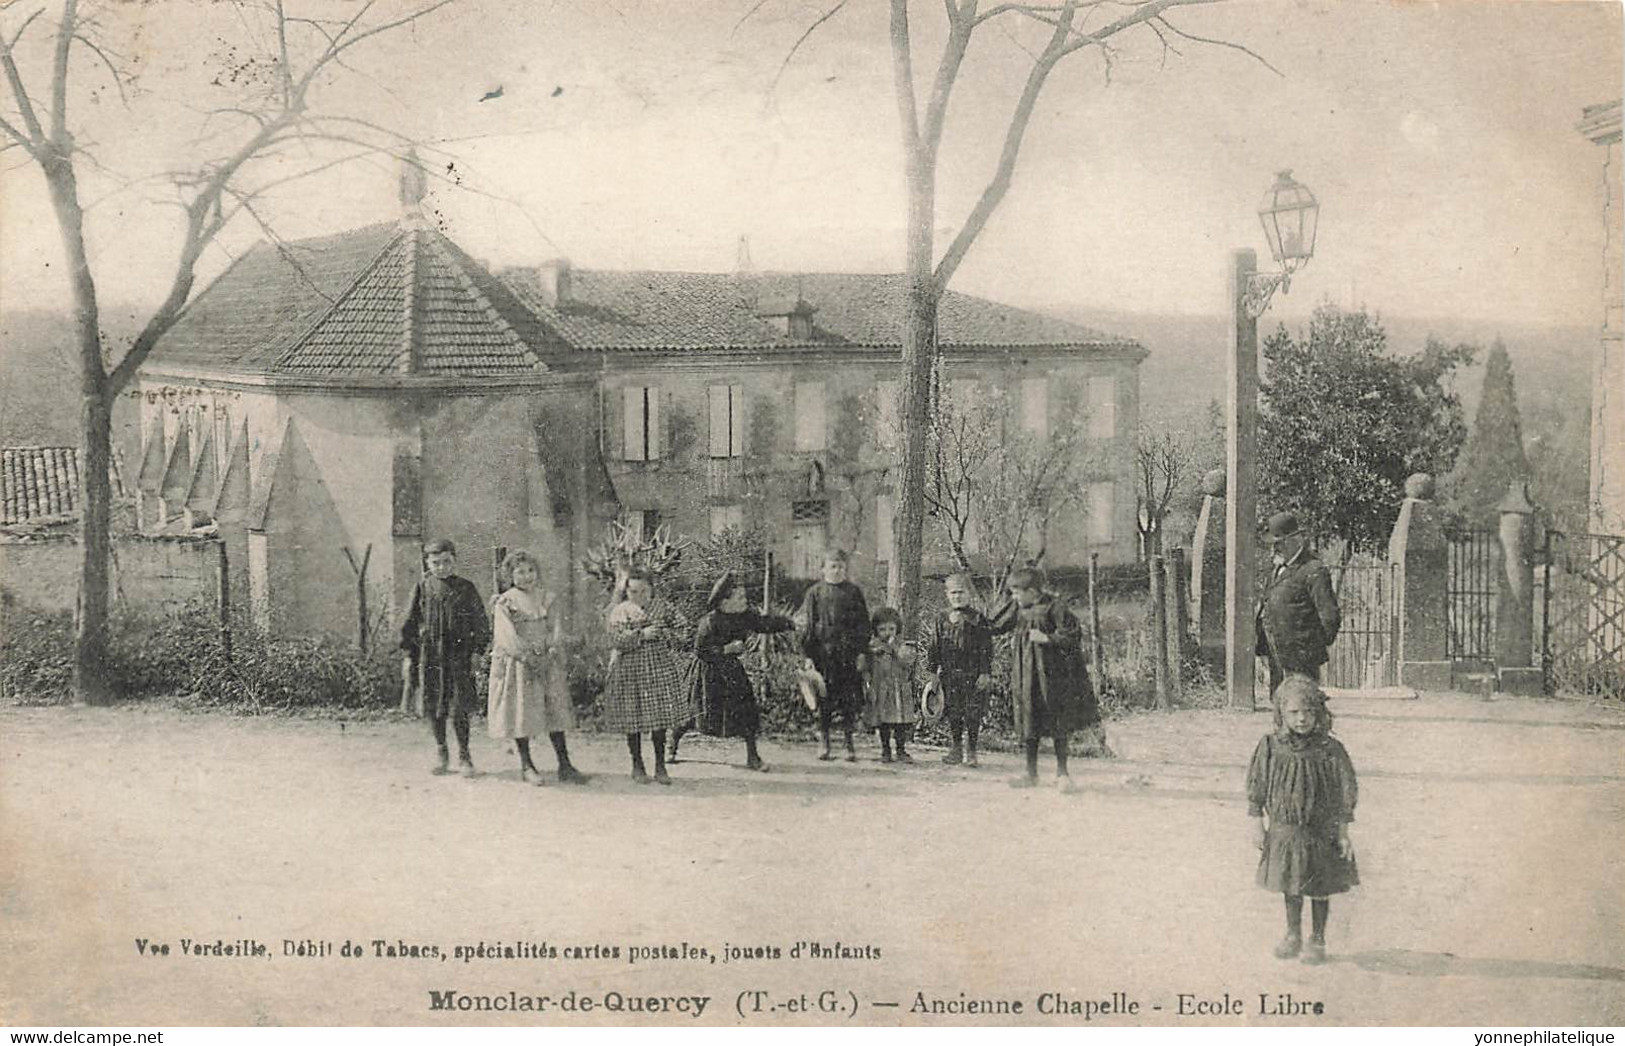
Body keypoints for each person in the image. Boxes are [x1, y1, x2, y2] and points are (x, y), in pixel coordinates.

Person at [1246, 674, 1359, 965]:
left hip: (1322, 831)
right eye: (1294, 712)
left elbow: (1345, 791)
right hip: (1286, 829)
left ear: (1320, 714)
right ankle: (1293, 934)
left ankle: (1317, 938)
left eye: (1309, 712)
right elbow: (1257, 787)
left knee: (1320, 885)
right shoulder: (1270, 747)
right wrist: (1257, 822)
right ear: (1281, 713)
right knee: (1292, 883)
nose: (1302, 719)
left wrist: (1343, 832)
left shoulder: (1330, 750)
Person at [670, 573, 796, 771]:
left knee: (746, 711)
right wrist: (725, 649)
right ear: (724, 601)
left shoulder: (744, 616)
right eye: (739, 597)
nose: (745, 601)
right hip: (707, 673)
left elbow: (763, 624)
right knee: (695, 713)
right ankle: (672, 744)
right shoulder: (710, 621)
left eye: (744, 597)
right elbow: (700, 651)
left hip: (730, 670)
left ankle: (752, 757)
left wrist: (789, 623)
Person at [487, 550, 587, 786]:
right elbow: (506, 636)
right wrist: (526, 656)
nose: (526, 576)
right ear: (510, 576)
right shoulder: (505, 601)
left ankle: (564, 763)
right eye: (519, 572)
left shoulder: (546, 598)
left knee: (554, 709)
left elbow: (555, 627)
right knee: (522, 710)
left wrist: (551, 648)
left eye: (530, 571)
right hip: (521, 662)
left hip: (547, 659)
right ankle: (527, 764)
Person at [990, 565, 1096, 791]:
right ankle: (1031, 774)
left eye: (1018, 592)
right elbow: (995, 626)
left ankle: (1062, 774)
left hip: (1052, 677)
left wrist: (1047, 638)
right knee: (1029, 720)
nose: (1015, 596)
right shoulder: (1017, 608)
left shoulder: (1054, 607)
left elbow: (1072, 636)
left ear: (1033, 590)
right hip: (1025, 674)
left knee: (1057, 720)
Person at [399, 538, 491, 777]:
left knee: (459, 706)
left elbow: (481, 622)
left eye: (447, 562)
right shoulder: (422, 587)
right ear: (427, 563)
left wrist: (477, 651)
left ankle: (464, 755)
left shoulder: (466, 588)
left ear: (455, 561)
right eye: (436, 563)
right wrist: (410, 654)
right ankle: (441, 752)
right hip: (430, 656)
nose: (442, 567)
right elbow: (409, 623)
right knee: (434, 705)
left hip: (458, 656)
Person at [602, 568, 690, 785]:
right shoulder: (621, 611)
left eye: (643, 591)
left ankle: (660, 765)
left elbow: (683, 630)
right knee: (634, 718)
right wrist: (641, 635)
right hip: (630, 669)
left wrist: (665, 634)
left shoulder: (662, 607)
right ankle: (637, 764)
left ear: (651, 590)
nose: (639, 596)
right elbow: (615, 639)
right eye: (633, 591)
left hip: (658, 668)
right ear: (626, 591)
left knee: (658, 717)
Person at [1256, 511, 1342, 696]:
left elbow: (1330, 616)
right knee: (1280, 705)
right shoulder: (1277, 569)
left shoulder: (1313, 570)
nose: (1274, 550)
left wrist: (1309, 649)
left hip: (1301, 658)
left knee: (1303, 705)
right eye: (1273, 545)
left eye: (1278, 544)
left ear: (1294, 540)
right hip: (1276, 654)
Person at [797, 549, 871, 762]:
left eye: (841, 566)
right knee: (823, 700)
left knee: (849, 701)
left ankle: (849, 744)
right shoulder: (814, 593)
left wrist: (861, 653)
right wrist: (808, 656)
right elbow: (809, 627)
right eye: (832, 566)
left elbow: (863, 625)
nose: (837, 570)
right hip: (823, 656)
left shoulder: (853, 592)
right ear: (823, 569)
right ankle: (825, 742)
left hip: (847, 656)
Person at [921, 572, 995, 767]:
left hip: (972, 675)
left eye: (961, 592)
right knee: (953, 712)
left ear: (969, 594)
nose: (957, 597)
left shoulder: (978, 619)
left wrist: (985, 672)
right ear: (947, 594)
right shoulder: (942, 618)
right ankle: (956, 748)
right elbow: (934, 646)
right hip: (949, 674)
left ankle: (971, 750)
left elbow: (987, 648)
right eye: (953, 593)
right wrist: (932, 672)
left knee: (972, 713)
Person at [863, 607, 918, 763]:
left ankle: (901, 749)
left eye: (891, 629)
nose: (887, 633)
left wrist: (894, 648)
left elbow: (908, 662)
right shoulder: (873, 646)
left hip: (898, 689)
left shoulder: (903, 645)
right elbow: (866, 667)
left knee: (901, 722)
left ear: (897, 628)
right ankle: (885, 749)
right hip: (881, 689)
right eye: (882, 629)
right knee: (883, 721)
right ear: (876, 630)